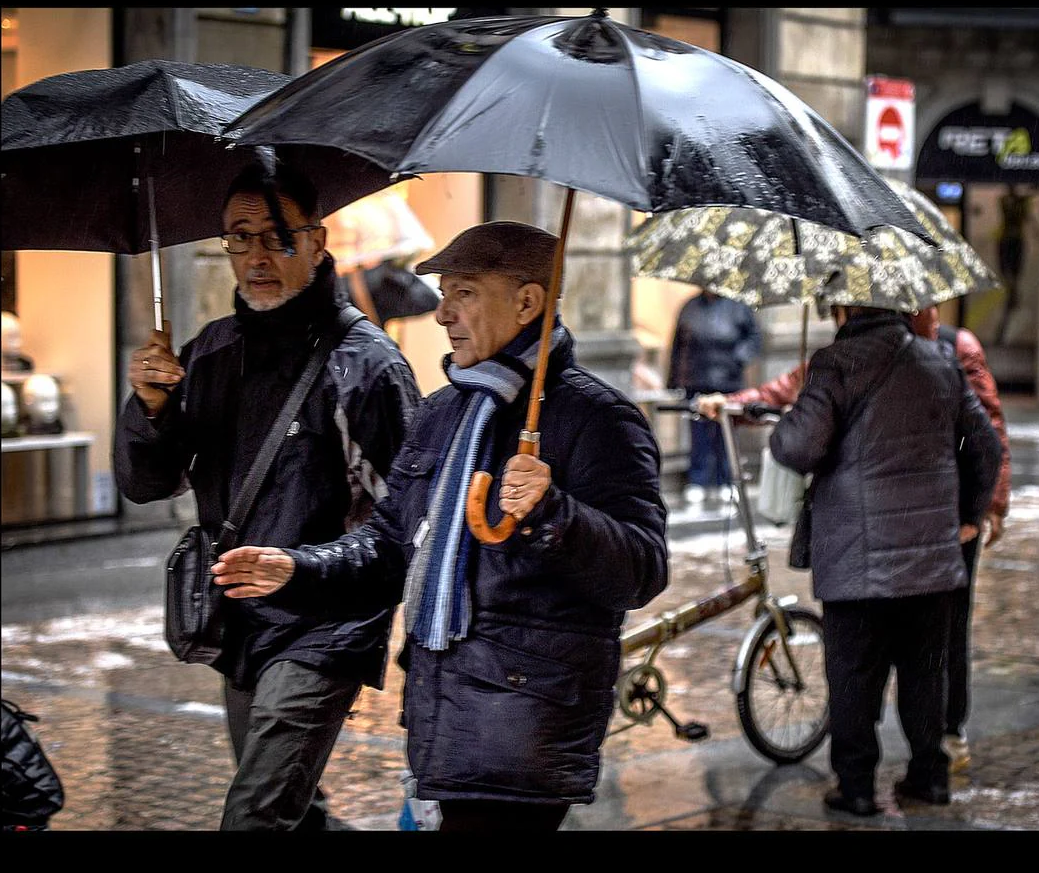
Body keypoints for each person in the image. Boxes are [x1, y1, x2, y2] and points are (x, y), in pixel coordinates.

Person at [211, 221, 670, 832]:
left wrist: (554, 514)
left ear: (528, 302)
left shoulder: (598, 419)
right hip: (442, 709)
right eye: (445, 293)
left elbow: (641, 571)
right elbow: (389, 546)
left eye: (465, 293)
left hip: (525, 720)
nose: (441, 313)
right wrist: (297, 566)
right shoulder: (441, 414)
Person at [113, 162, 422, 831]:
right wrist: (151, 408)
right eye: (239, 237)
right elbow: (146, 483)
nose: (256, 255)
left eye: (276, 237)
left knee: (255, 813)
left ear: (317, 240)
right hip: (241, 619)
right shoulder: (211, 352)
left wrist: (303, 568)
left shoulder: (367, 366)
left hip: (329, 624)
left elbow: (405, 526)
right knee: (294, 810)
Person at [768, 303, 1001, 817]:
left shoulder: (836, 363)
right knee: (925, 677)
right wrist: (969, 514)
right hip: (931, 560)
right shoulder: (940, 361)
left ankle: (855, 787)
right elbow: (982, 444)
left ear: (846, 306)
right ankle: (929, 778)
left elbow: (799, 447)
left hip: (857, 561)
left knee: (854, 679)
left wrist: (788, 422)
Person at [909, 305, 1012, 775]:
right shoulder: (873, 345)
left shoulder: (957, 346)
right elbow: (794, 385)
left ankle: (950, 728)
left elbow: (990, 428)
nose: (921, 311)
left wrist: (989, 504)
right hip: (906, 509)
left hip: (955, 512)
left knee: (950, 623)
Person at [667, 289, 761, 503]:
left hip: (728, 381)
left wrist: (738, 358)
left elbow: (754, 337)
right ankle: (698, 480)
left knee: (725, 434)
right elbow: (678, 345)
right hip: (696, 379)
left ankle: (726, 480)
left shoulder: (738, 306)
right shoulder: (690, 307)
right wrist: (673, 380)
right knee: (698, 434)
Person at [994, 184, 1039, 346]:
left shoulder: (1014, 202)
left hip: (1012, 241)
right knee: (1010, 276)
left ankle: (1012, 295)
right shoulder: (1008, 202)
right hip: (1009, 241)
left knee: (1012, 276)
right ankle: (1012, 295)